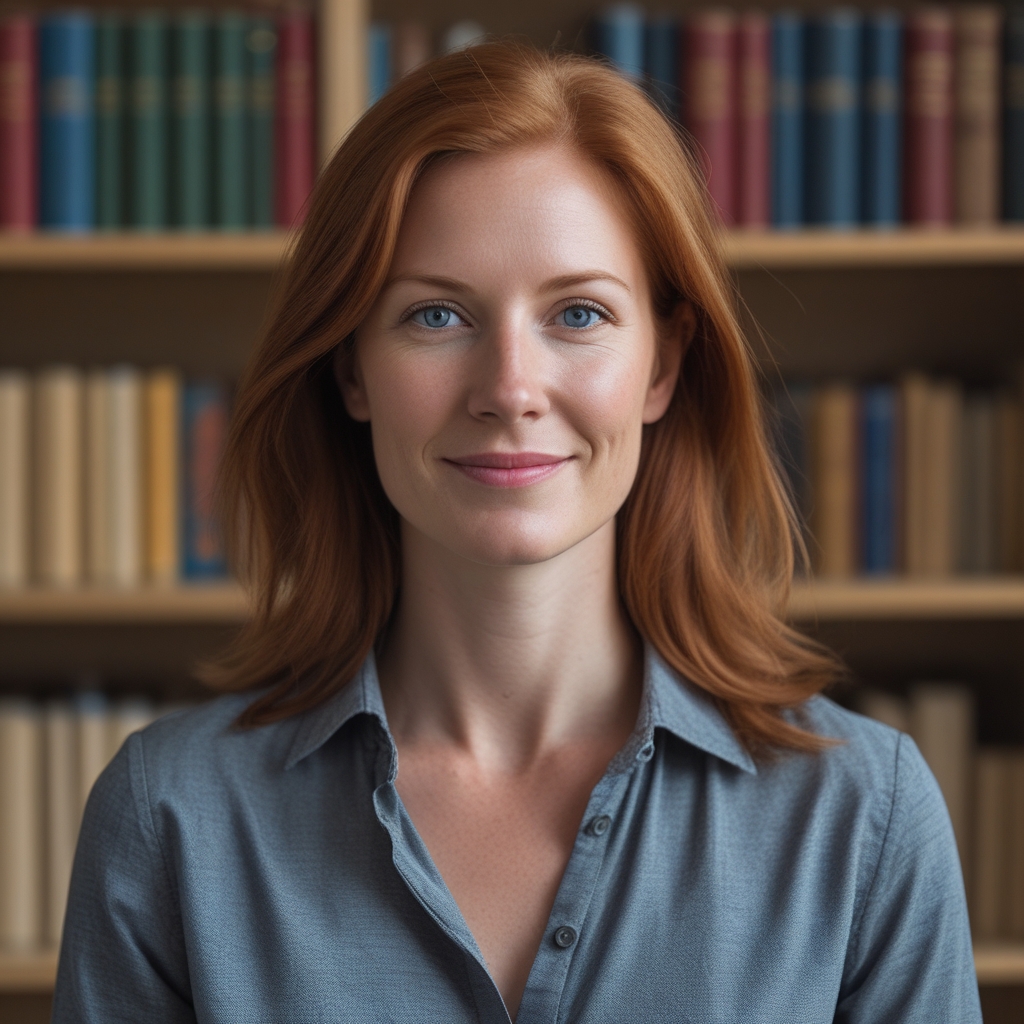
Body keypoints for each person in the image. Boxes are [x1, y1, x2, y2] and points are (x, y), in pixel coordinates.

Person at [53, 42, 980, 1023]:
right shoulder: (168, 820)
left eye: (577, 313)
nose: (508, 390)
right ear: (350, 370)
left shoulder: (864, 820)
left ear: (661, 366)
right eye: (437, 315)